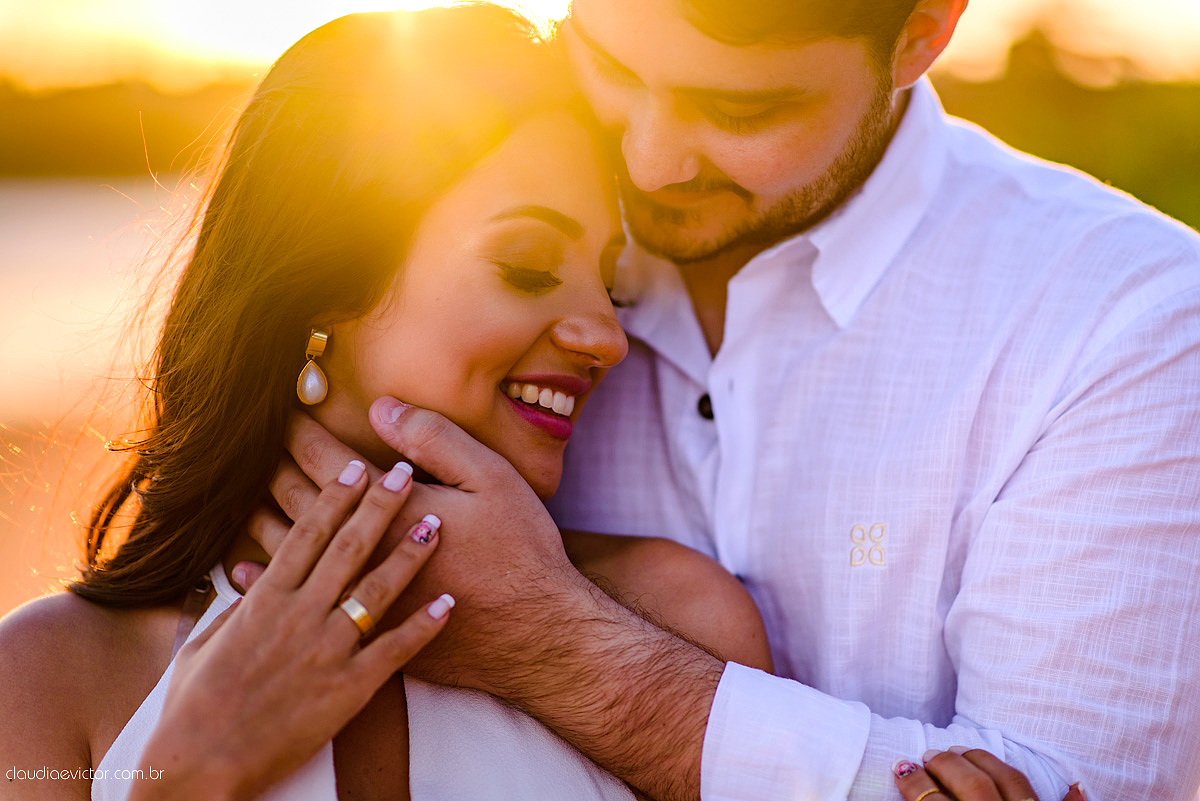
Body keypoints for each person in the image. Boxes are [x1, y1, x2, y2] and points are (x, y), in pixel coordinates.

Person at [271, 0, 1200, 799]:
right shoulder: (506, 225)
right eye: (611, 65)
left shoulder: (1128, 319)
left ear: (920, 33)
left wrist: (552, 641)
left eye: (741, 106)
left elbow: (1059, 777)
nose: (649, 160)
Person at [0, 7, 772, 800]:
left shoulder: (671, 620)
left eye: (610, 286)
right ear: (323, 288)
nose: (605, 335)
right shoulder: (46, 674)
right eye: (528, 266)